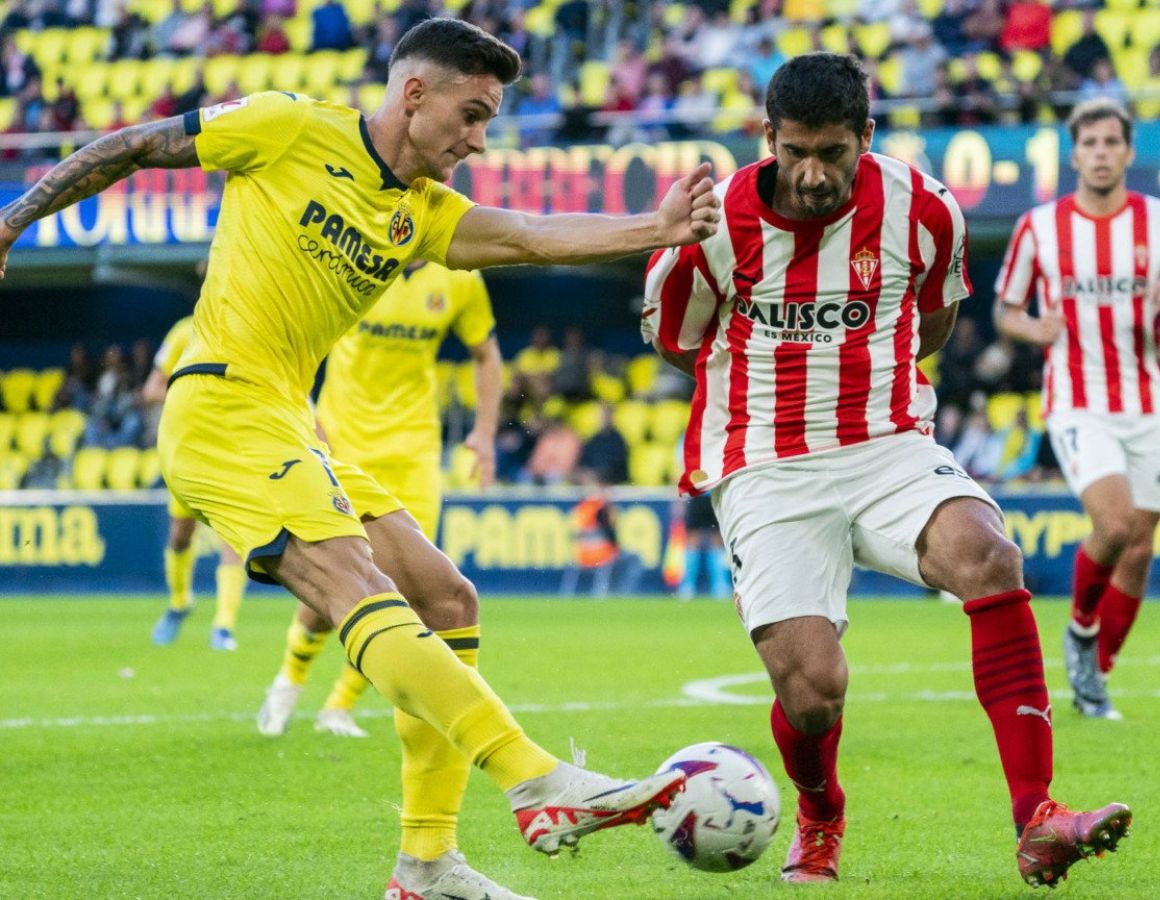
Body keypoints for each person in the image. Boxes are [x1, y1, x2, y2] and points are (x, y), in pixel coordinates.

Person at [0, 18, 719, 900]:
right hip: (221, 405)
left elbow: (530, 234)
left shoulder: (419, 211)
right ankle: (535, 780)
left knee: (446, 594)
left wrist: (655, 227)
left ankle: (428, 866)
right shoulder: (289, 126)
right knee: (355, 588)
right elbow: (134, 145)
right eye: (473, 113)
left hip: (292, 424)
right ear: (414, 94)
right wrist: (10, 222)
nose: (479, 139)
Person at [642, 52, 1130, 890]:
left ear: (866, 138)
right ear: (766, 137)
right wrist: (774, 381)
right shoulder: (712, 222)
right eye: (794, 150)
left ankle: (1039, 816)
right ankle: (820, 812)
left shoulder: (923, 209)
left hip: (887, 443)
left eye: (833, 153)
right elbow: (675, 339)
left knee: (989, 555)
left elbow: (933, 321)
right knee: (812, 693)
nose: (811, 173)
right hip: (765, 461)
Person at [994, 98, 1160, 720]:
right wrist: (1037, 330)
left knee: (1139, 547)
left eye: (1113, 142)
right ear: (1075, 153)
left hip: (1144, 398)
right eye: (1091, 144)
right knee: (1113, 526)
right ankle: (1081, 631)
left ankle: (1094, 677)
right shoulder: (1040, 227)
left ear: (1128, 152)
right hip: (1077, 398)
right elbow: (1007, 311)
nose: (1103, 153)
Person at [256, 260, 501, 740]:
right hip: (343, 444)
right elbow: (292, 345)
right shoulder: (351, 259)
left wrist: (486, 434)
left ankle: (339, 705)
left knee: (411, 587)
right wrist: (307, 421)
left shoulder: (460, 277)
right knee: (337, 580)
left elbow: (486, 353)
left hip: (414, 453)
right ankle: (290, 680)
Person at [143, 314, 248, 652]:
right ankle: (179, 603)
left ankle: (223, 626)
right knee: (179, 535)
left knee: (232, 539)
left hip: (229, 451)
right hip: (188, 448)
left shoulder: (245, 327)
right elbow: (152, 388)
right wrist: (192, 392)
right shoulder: (183, 331)